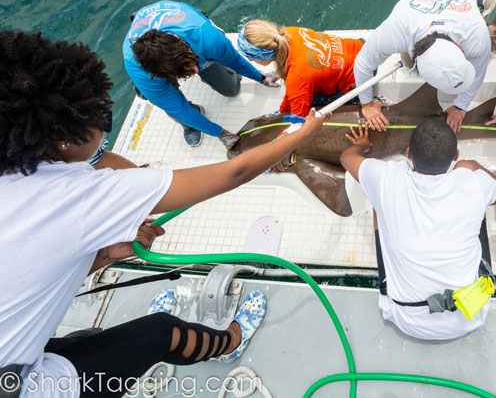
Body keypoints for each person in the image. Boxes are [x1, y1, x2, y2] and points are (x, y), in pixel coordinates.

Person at [0, 30, 326, 397]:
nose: (104, 127)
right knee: (161, 332)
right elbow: (235, 172)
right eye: (102, 117)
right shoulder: (79, 195)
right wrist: (302, 134)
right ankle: (231, 340)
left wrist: (105, 255)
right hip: (22, 387)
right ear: (65, 136)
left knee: (81, 343)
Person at [340, 118, 496, 340]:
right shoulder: (473, 182)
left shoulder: (387, 177)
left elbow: (346, 158)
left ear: (408, 152)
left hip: (406, 318)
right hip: (472, 313)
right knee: (475, 187)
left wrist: (362, 144)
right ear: (455, 155)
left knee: (378, 200)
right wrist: (490, 178)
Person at [354, 0, 496, 133]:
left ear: (459, 46)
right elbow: (363, 63)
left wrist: (460, 107)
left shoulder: (476, 36)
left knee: (488, 44)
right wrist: (366, 103)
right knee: (406, 65)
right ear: (417, 59)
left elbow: (478, 71)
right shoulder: (397, 30)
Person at [123, 0, 277, 147]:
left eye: (192, 62)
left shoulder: (206, 37)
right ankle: (189, 122)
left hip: (186, 25)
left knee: (231, 89)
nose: (196, 70)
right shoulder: (140, 71)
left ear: (179, 39)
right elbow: (178, 109)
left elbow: (234, 60)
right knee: (168, 105)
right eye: (186, 71)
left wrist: (261, 77)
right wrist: (221, 133)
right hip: (153, 68)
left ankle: (198, 59)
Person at [237, 20, 364, 116]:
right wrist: (283, 110)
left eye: (251, 57)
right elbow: (295, 88)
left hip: (361, 81)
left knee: (313, 104)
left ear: (264, 56)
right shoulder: (288, 32)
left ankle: (354, 101)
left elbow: (299, 120)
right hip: (362, 50)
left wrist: (283, 117)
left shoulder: (297, 77)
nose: (249, 60)